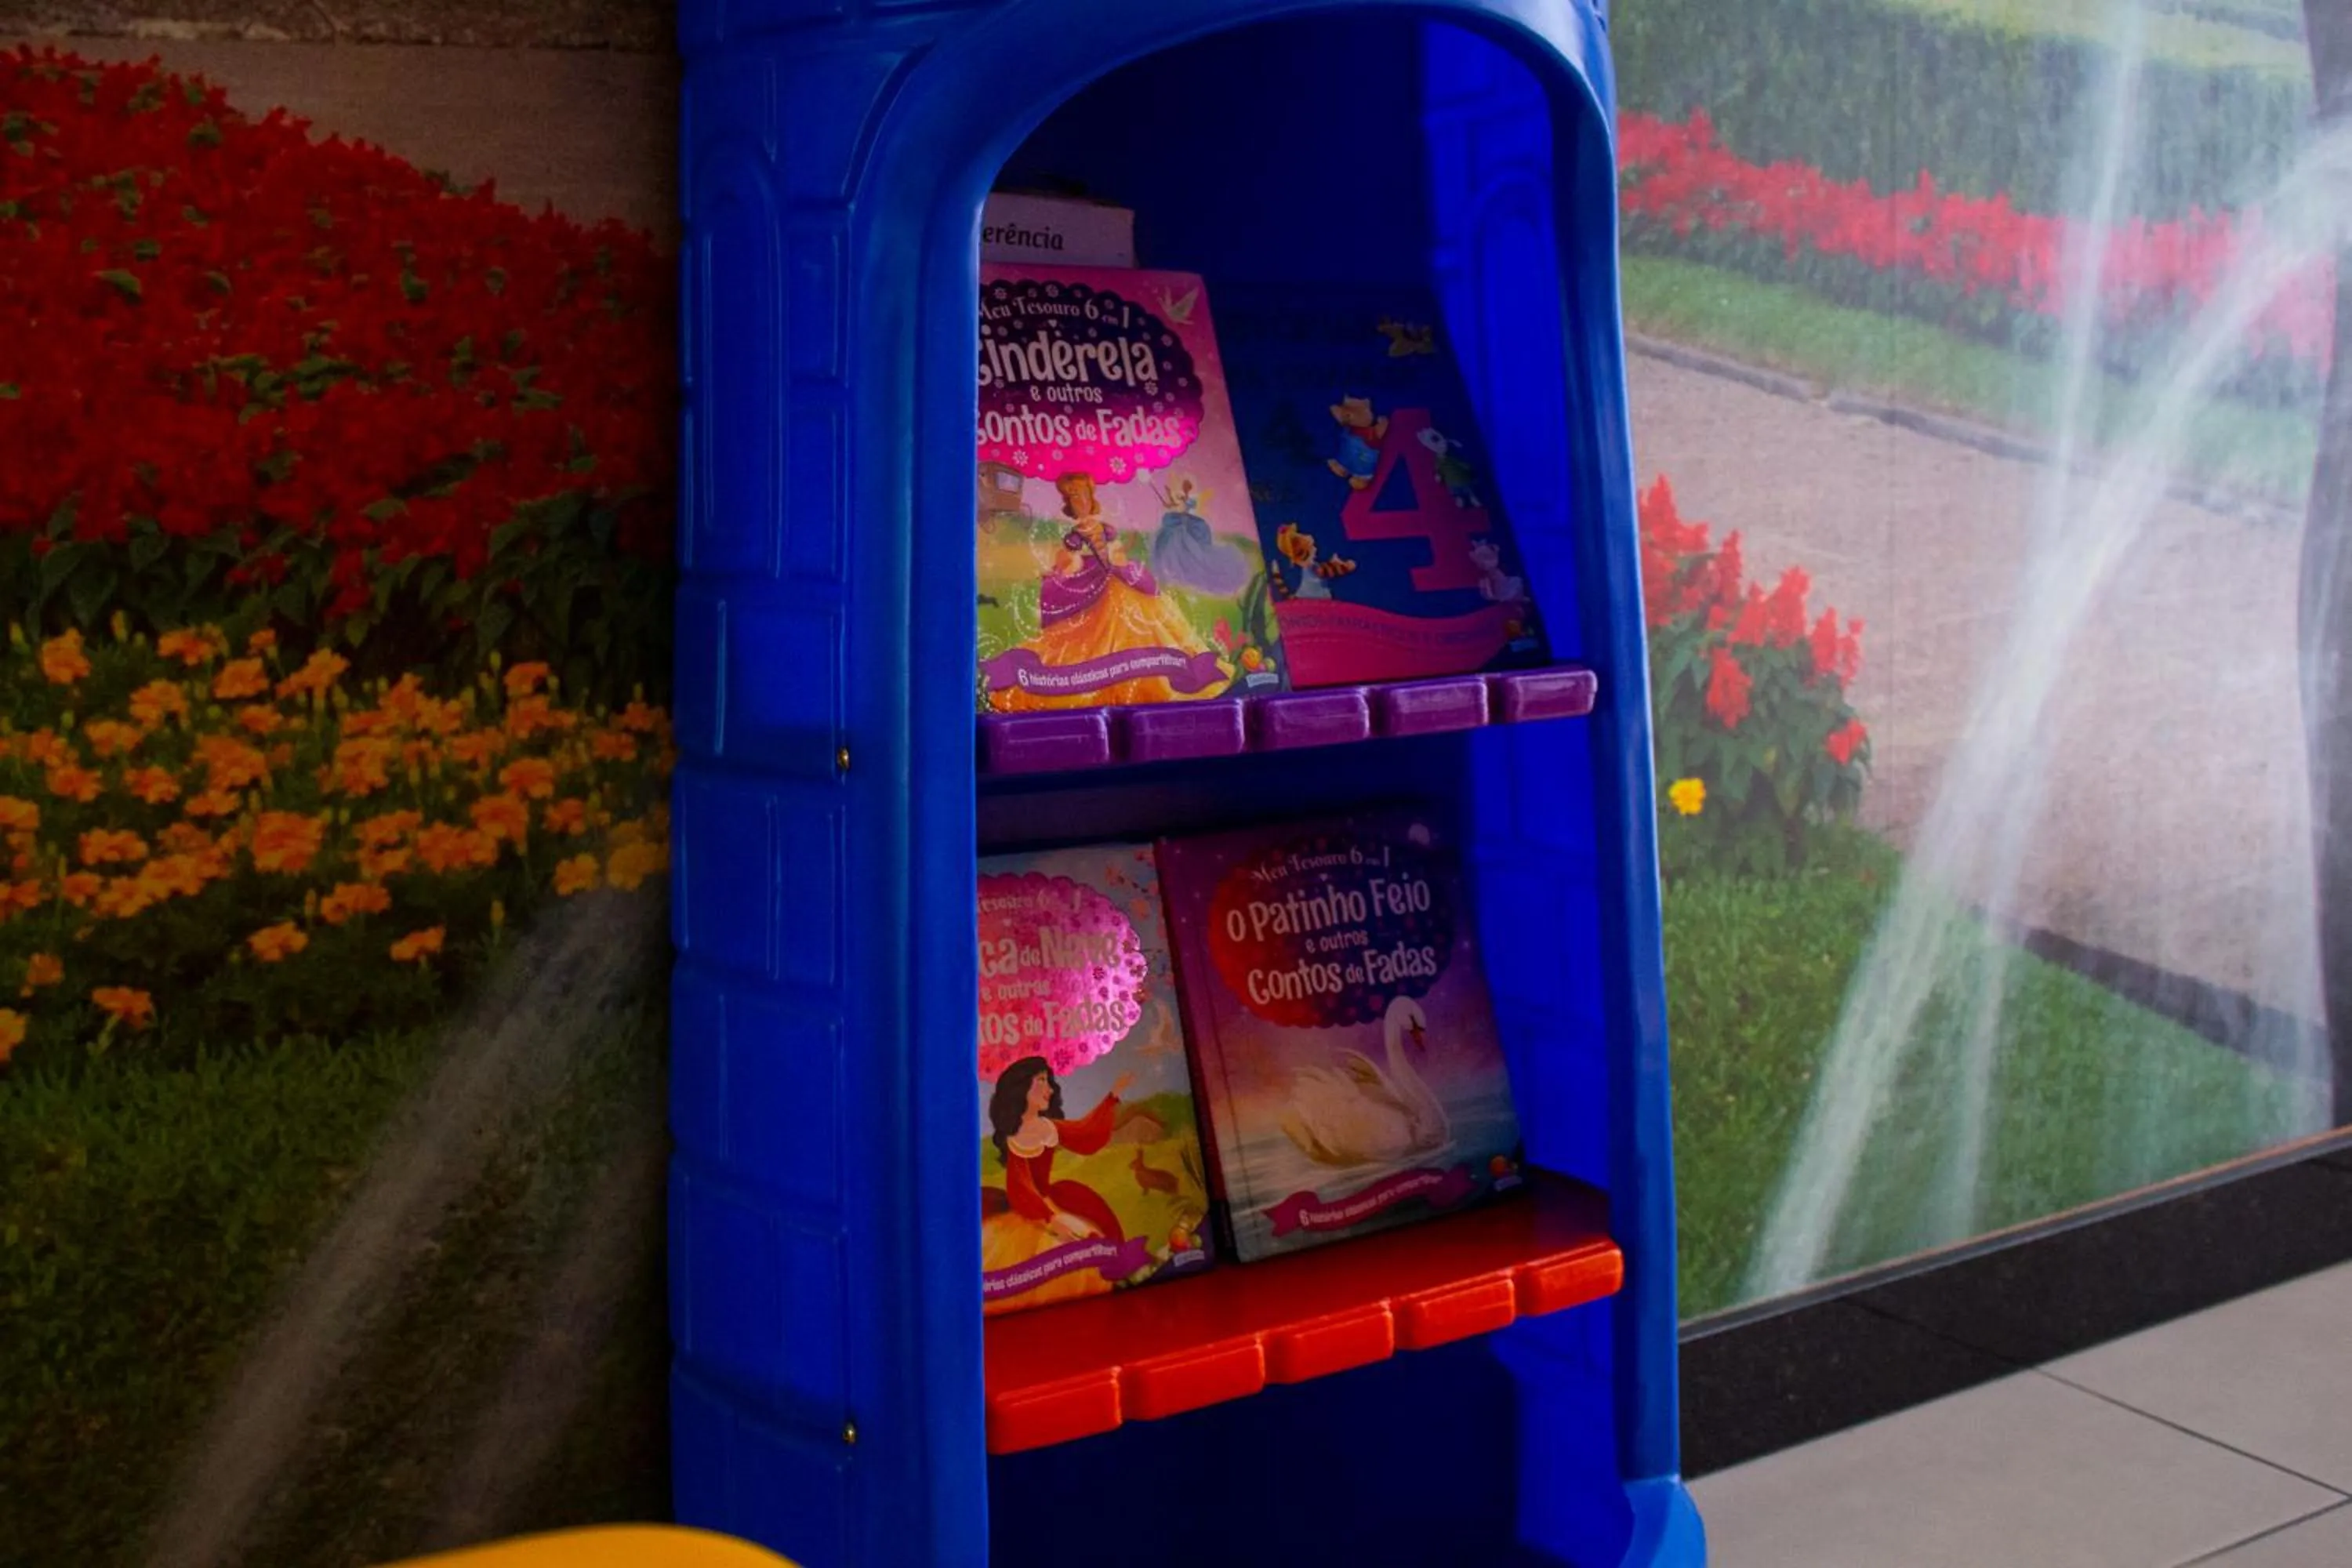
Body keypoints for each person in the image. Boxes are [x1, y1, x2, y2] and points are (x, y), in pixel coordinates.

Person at [987, 473, 1218, 711]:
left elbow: (1115, 552)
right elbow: (1071, 561)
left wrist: (1113, 560)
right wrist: (1062, 570)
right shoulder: (1075, 535)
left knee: (1142, 621)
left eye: (1082, 494)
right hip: (1093, 582)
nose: (1079, 500)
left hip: (1116, 580)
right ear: (1069, 502)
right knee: (1089, 634)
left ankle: (1156, 671)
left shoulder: (1103, 526)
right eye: (1073, 496)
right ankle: (1099, 680)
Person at [981, 1057, 1134, 1312]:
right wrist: (1051, 1219)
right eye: (1041, 1081)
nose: (1049, 1089)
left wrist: (1112, 1096)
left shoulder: (1048, 1127)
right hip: (1029, 1211)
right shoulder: (1015, 1136)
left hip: (1051, 1204)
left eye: (1048, 1081)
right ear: (1022, 1089)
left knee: (1084, 1250)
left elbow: (1087, 1132)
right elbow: (1021, 1187)